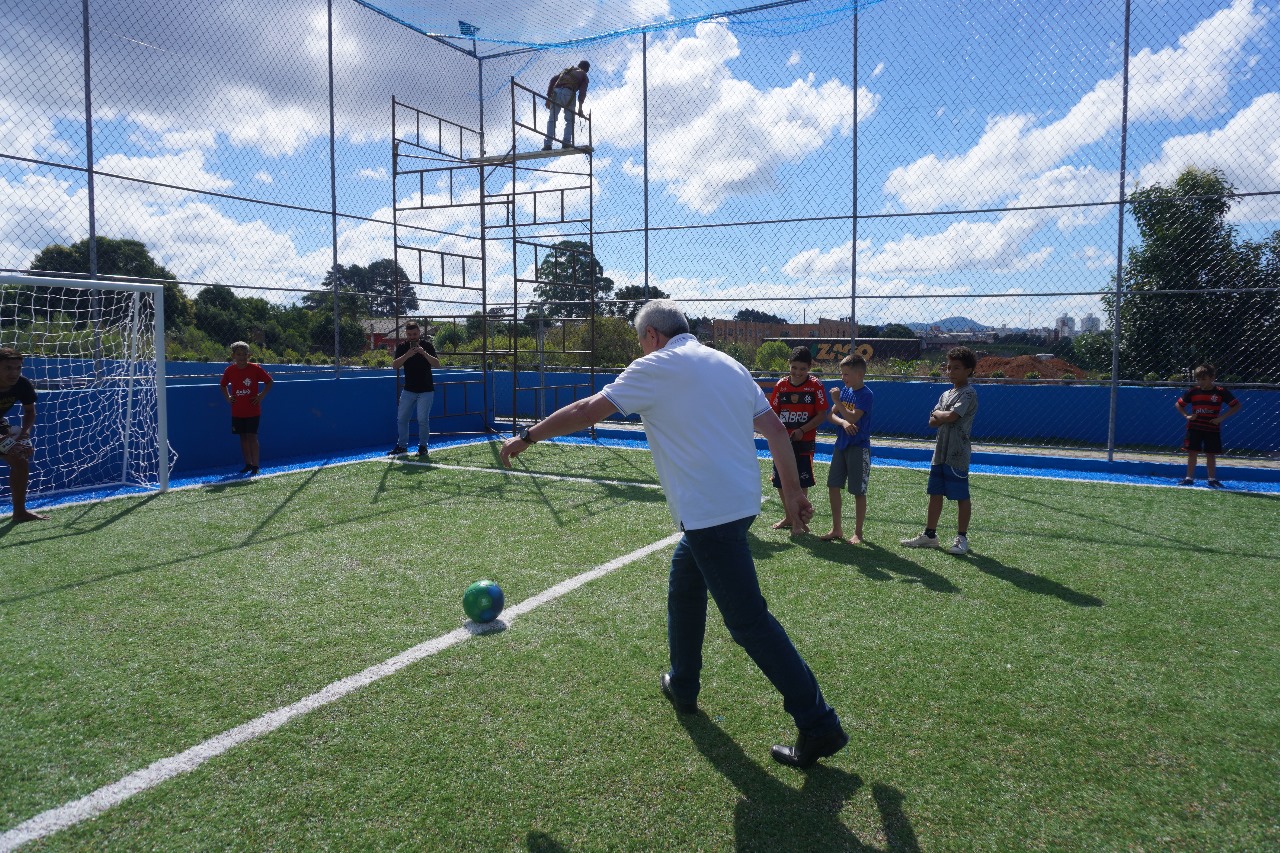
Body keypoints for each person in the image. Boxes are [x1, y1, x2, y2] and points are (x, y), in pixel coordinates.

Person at [499, 299, 848, 769]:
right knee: (684, 586)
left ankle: (818, 722)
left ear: (653, 337)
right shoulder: (728, 364)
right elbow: (776, 434)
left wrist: (527, 436)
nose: (638, 350)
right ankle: (683, 683)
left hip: (710, 513)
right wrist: (790, 494)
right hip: (739, 505)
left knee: (748, 622)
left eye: (638, 341)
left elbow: (587, 409)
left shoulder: (656, 366)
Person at [901, 346, 978, 556]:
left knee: (961, 495)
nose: (951, 371)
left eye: (957, 368)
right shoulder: (946, 394)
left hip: (957, 453)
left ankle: (962, 537)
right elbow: (931, 421)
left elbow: (951, 417)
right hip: (940, 452)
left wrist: (939, 413)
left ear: (969, 370)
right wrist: (940, 414)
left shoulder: (969, 393)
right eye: (949, 367)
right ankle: (930, 535)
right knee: (935, 493)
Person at [767, 347, 828, 533]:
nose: (797, 372)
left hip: (804, 442)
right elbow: (773, 414)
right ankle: (788, 516)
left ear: (809, 367)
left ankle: (800, 522)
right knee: (780, 480)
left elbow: (821, 414)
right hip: (783, 443)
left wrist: (802, 430)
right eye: (794, 368)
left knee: (801, 482)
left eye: (802, 369)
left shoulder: (815, 386)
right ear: (789, 365)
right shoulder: (781, 386)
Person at [821, 354, 873, 545]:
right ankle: (837, 528)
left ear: (859, 374)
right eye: (842, 374)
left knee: (858, 491)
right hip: (841, 445)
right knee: (833, 485)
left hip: (858, 447)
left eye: (846, 374)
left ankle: (858, 533)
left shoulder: (866, 394)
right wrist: (842, 421)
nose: (843, 378)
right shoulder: (845, 390)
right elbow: (831, 417)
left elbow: (853, 418)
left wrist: (838, 403)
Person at [0, 347, 48, 522]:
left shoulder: (22, 384)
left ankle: (19, 513)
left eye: (18, 368)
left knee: (20, 461)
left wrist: (24, 435)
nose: (14, 373)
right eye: (8, 368)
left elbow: (29, 412)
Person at [1175, 363, 1241, 488]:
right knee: (1192, 452)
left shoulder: (1221, 392)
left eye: (1203, 379)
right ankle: (1189, 478)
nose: (1200, 382)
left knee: (1211, 453)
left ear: (1212, 378)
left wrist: (1221, 418)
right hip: (1194, 427)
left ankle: (1212, 479)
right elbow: (1178, 404)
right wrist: (1187, 416)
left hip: (1212, 428)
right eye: (1198, 379)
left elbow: (1236, 405)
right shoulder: (1193, 391)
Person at [220, 341, 272, 476]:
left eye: (244, 354)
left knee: (252, 437)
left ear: (249, 355)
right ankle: (247, 464)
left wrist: (261, 396)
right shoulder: (229, 370)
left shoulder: (255, 368)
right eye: (238, 354)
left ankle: (256, 465)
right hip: (237, 411)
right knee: (242, 437)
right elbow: (223, 385)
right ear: (233, 356)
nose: (242, 357)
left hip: (252, 410)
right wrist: (228, 397)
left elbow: (269, 382)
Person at [390, 321, 441, 459]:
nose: (412, 337)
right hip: (409, 390)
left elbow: (437, 364)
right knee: (401, 419)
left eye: (415, 334)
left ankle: (423, 447)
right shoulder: (402, 347)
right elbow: (395, 366)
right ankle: (402, 446)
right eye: (409, 334)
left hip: (426, 390)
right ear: (406, 334)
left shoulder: (427, 346)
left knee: (422, 419)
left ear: (419, 333)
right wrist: (407, 355)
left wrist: (424, 353)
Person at [543, 60, 590, 151]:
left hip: (556, 92)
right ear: (587, 69)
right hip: (569, 93)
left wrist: (548, 98)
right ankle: (566, 142)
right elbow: (582, 92)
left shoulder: (567, 70)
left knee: (552, 119)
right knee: (569, 120)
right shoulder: (583, 74)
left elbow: (553, 80)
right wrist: (580, 108)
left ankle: (547, 144)